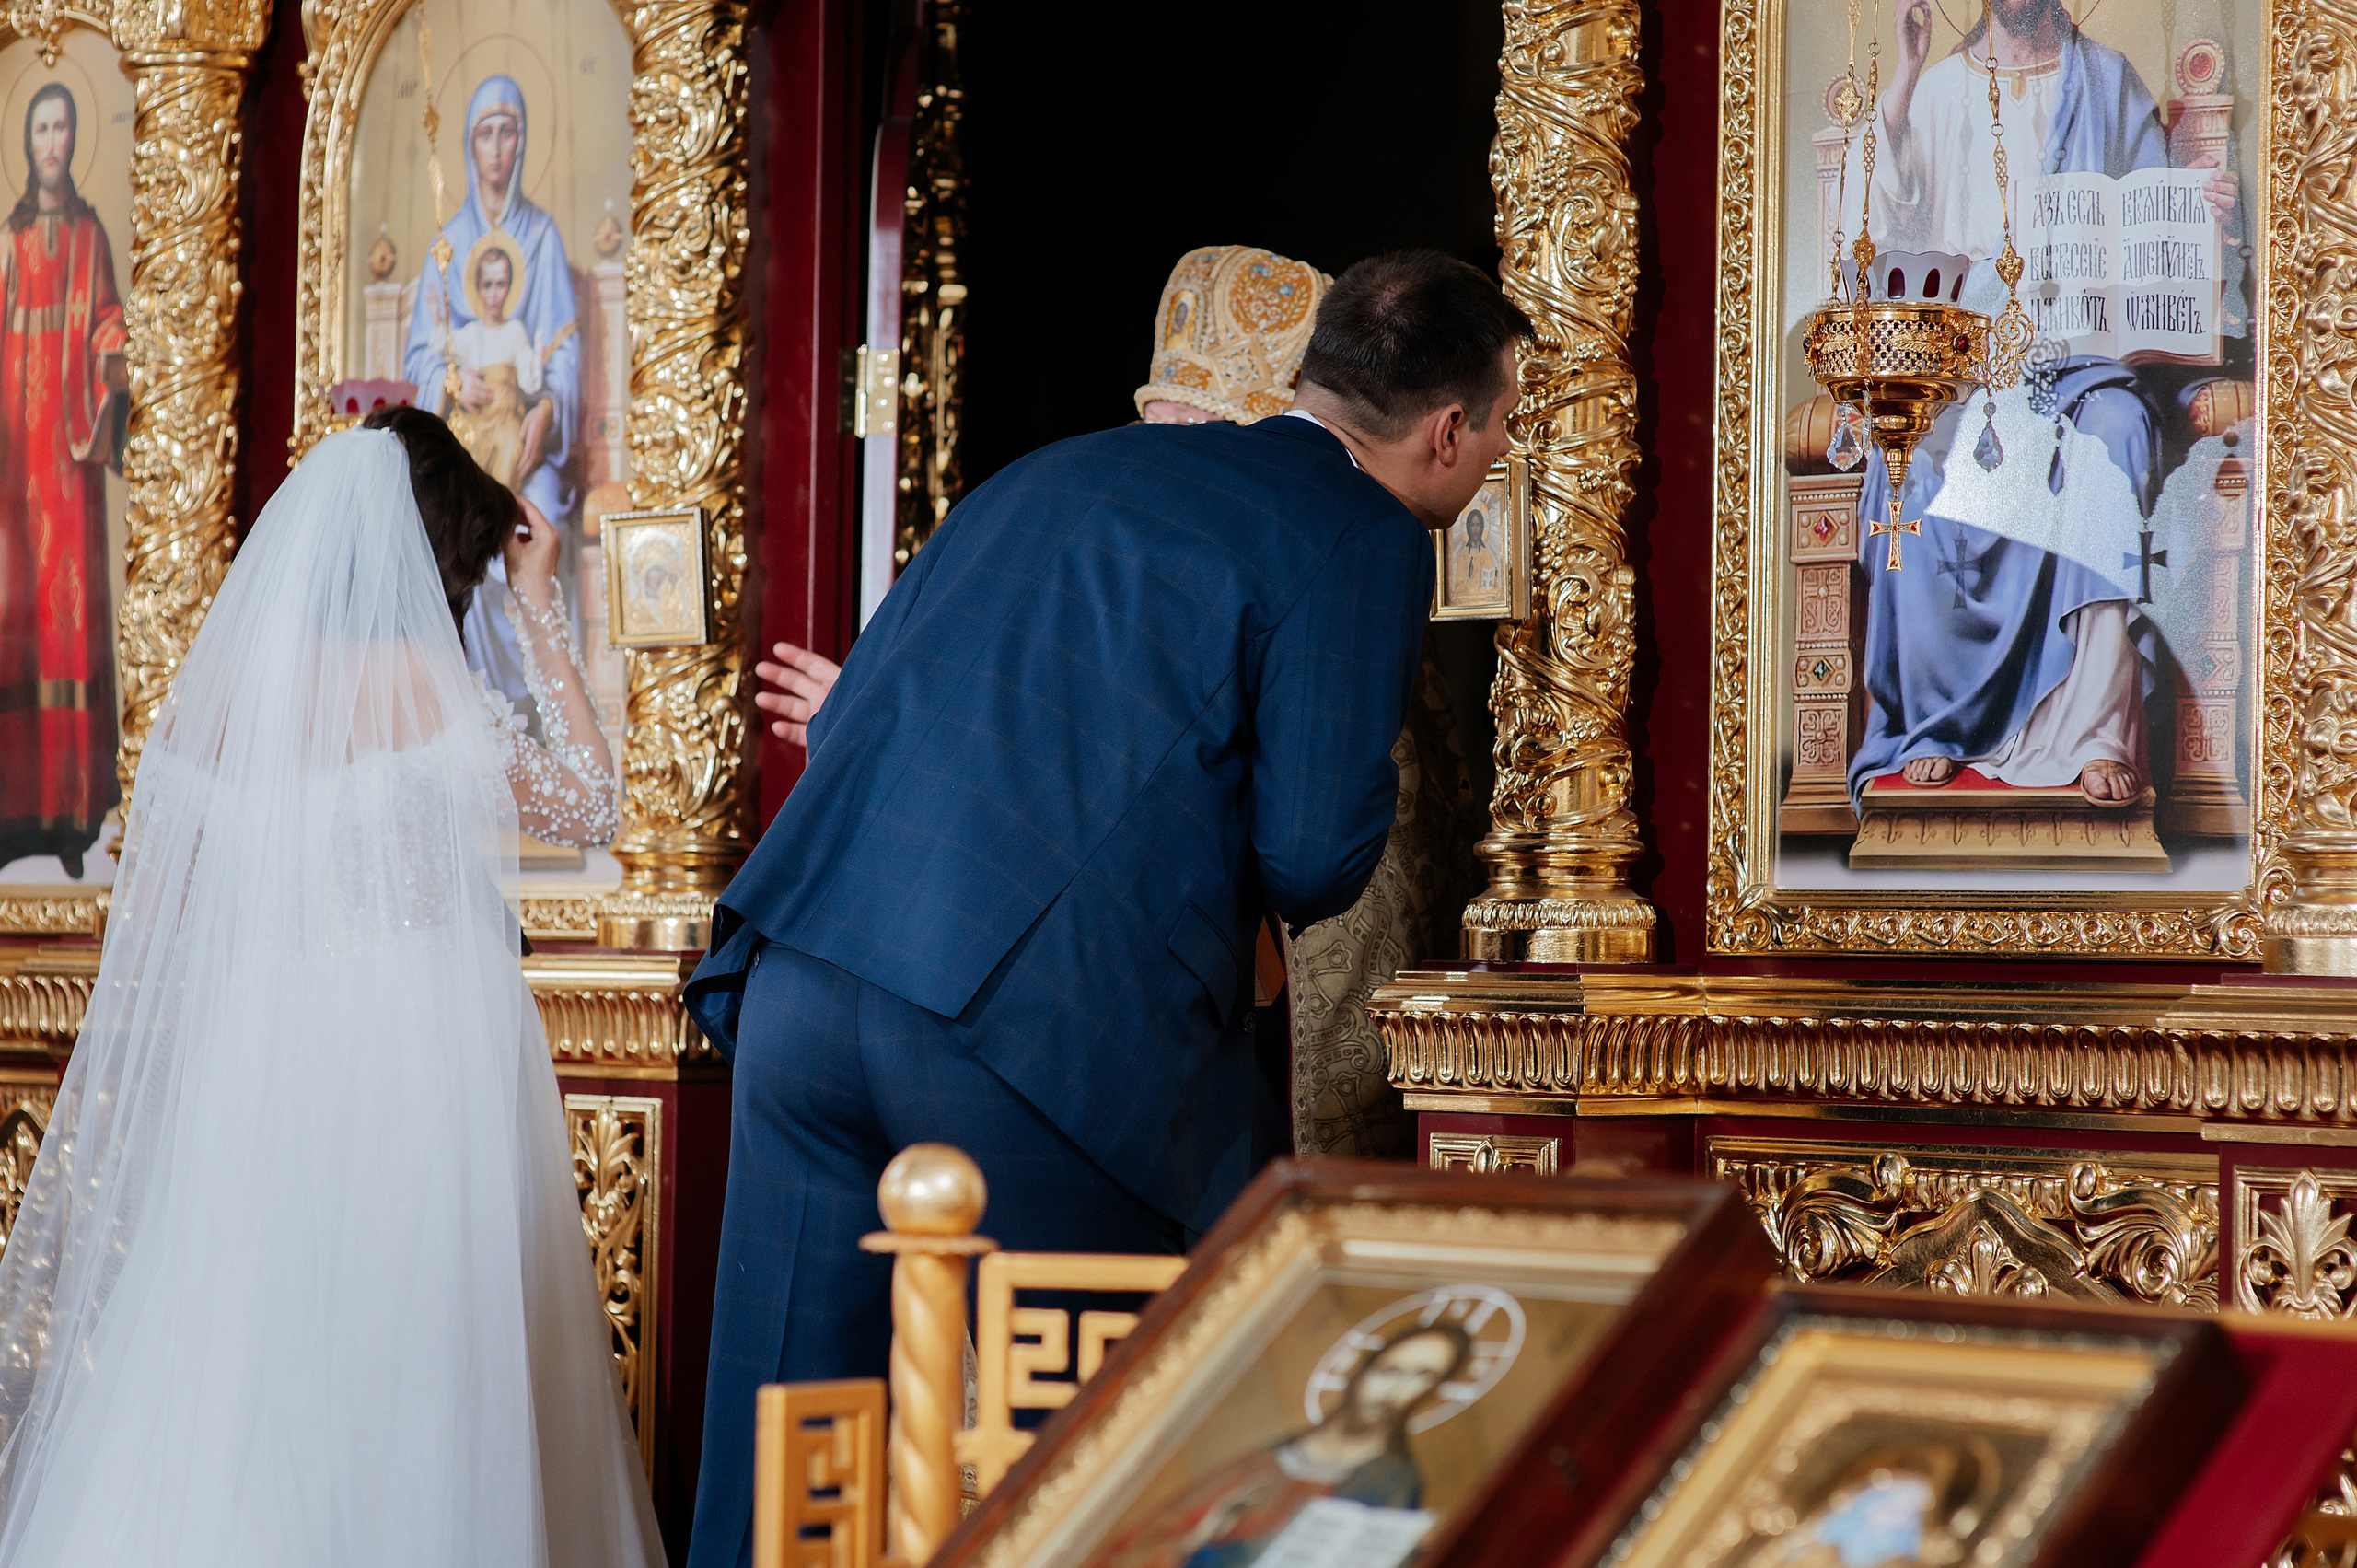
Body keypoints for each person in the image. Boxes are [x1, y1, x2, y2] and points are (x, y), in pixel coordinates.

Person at [681, 250, 1527, 1568]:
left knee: (787, 1446)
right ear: (1449, 430)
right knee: (1090, 1459)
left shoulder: (1052, 470)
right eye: (1501, 434)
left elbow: (879, 712)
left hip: (800, 973)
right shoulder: (1360, 530)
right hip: (1023, 1030)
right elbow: (1311, 855)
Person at [0, 412, 656, 1566]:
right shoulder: (430, 688)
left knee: (253, 1361)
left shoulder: (228, 706)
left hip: (263, 1059)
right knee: (415, 1360)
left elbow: (156, 913)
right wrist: (535, 600)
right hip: (420, 1062)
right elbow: (592, 808)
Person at [755, 246, 1485, 1164]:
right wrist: (888, 733)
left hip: (1152, 1020)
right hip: (1017, 1008)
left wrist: (888, 734)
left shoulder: (1319, 548)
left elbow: (1311, 850)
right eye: (1161, 416)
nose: (1171, 443)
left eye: (1205, 422)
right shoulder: (1092, 508)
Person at [1842, 0, 2239, 809]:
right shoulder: (1944, 88)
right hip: (1970, 371)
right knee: (1909, 468)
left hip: (2085, 363)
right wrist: (1905, 81)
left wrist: (2203, 213)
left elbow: (2155, 230)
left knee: (2119, 433)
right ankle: (1938, 724)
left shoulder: (2108, 82)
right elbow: (1873, 234)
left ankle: (2093, 728)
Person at [406, 75, 583, 709]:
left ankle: (535, 705)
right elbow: (423, 355)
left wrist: (549, 410)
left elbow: (560, 351)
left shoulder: (542, 237)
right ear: (468, 145)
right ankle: (467, 698)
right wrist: (453, 382)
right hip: (464, 445)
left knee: (543, 519)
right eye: (486, 133)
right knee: (457, 529)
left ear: (524, 141)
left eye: (509, 132)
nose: (498, 147)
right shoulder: (447, 247)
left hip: (527, 442)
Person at [0, 83, 126, 877]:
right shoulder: (8, 243)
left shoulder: (89, 232)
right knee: (14, 612)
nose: (52, 141)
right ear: (26, 141)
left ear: (74, 140)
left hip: (68, 460)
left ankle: (74, 809)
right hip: (15, 447)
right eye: (40, 127)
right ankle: (16, 807)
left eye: (62, 128)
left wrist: (113, 357)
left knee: (68, 616)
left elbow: (108, 315)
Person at [1094, 1321, 1472, 1568]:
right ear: (1361, 1372)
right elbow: (1143, 1544)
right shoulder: (1262, 1460)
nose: (1395, 1390)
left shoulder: (1392, 1480)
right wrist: (1201, 1535)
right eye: (1389, 1371)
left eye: (1422, 1377)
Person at [444, 233, 549, 489]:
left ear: (510, 286)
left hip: (506, 421)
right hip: (479, 420)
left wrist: (535, 360)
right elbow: (443, 351)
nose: (493, 294)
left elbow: (529, 383)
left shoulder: (515, 332)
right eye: (487, 285)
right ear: (478, 288)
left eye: (500, 284)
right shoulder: (470, 334)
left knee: (512, 447)